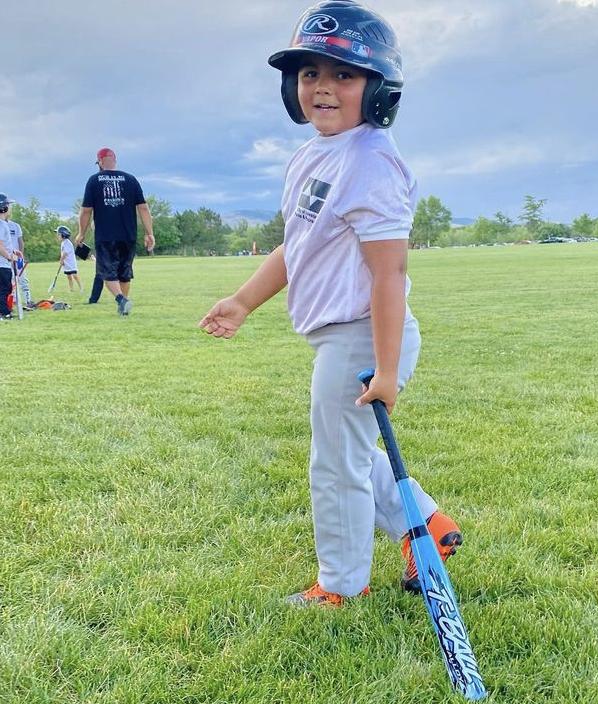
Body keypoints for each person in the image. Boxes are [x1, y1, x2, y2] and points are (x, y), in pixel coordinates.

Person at [199, 0, 463, 607]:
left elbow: (389, 274)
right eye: (310, 72)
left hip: (365, 334)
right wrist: (243, 301)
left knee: (335, 463)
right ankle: (427, 525)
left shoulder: (371, 162)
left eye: (343, 74)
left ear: (378, 89)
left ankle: (341, 586)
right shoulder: (315, 154)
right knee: (348, 448)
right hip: (341, 336)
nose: (322, 86)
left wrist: (387, 369)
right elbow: (299, 245)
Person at [75, 147, 155, 316]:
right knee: (124, 273)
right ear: (115, 160)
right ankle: (123, 308)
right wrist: (149, 233)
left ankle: (121, 300)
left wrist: (81, 233)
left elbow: (86, 211)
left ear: (100, 162)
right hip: (128, 234)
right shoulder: (130, 179)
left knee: (107, 273)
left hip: (105, 235)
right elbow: (143, 208)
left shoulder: (94, 180)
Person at [0, 193, 21, 320]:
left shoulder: (3, 224)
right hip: (2, 264)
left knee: (6, 288)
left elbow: (5, 244)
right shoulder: (1, 224)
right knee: (4, 289)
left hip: (4, 263)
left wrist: (13, 251)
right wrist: (9, 256)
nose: (10, 207)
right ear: (3, 207)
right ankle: (4, 313)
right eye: (8, 205)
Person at [7, 214, 35, 309]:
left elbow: (20, 242)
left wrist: (20, 256)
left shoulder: (15, 226)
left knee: (23, 280)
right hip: (5, 259)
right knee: (9, 281)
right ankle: (12, 301)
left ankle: (28, 300)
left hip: (17, 258)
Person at [56, 226, 83, 292]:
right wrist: (63, 261)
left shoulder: (67, 242)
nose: (58, 236)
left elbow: (65, 253)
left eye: (59, 235)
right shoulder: (63, 242)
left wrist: (61, 260)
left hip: (71, 263)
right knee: (69, 276)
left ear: (63, 235)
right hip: (66, 263)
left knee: (74, 275)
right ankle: (71, 289)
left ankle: (81, 288)